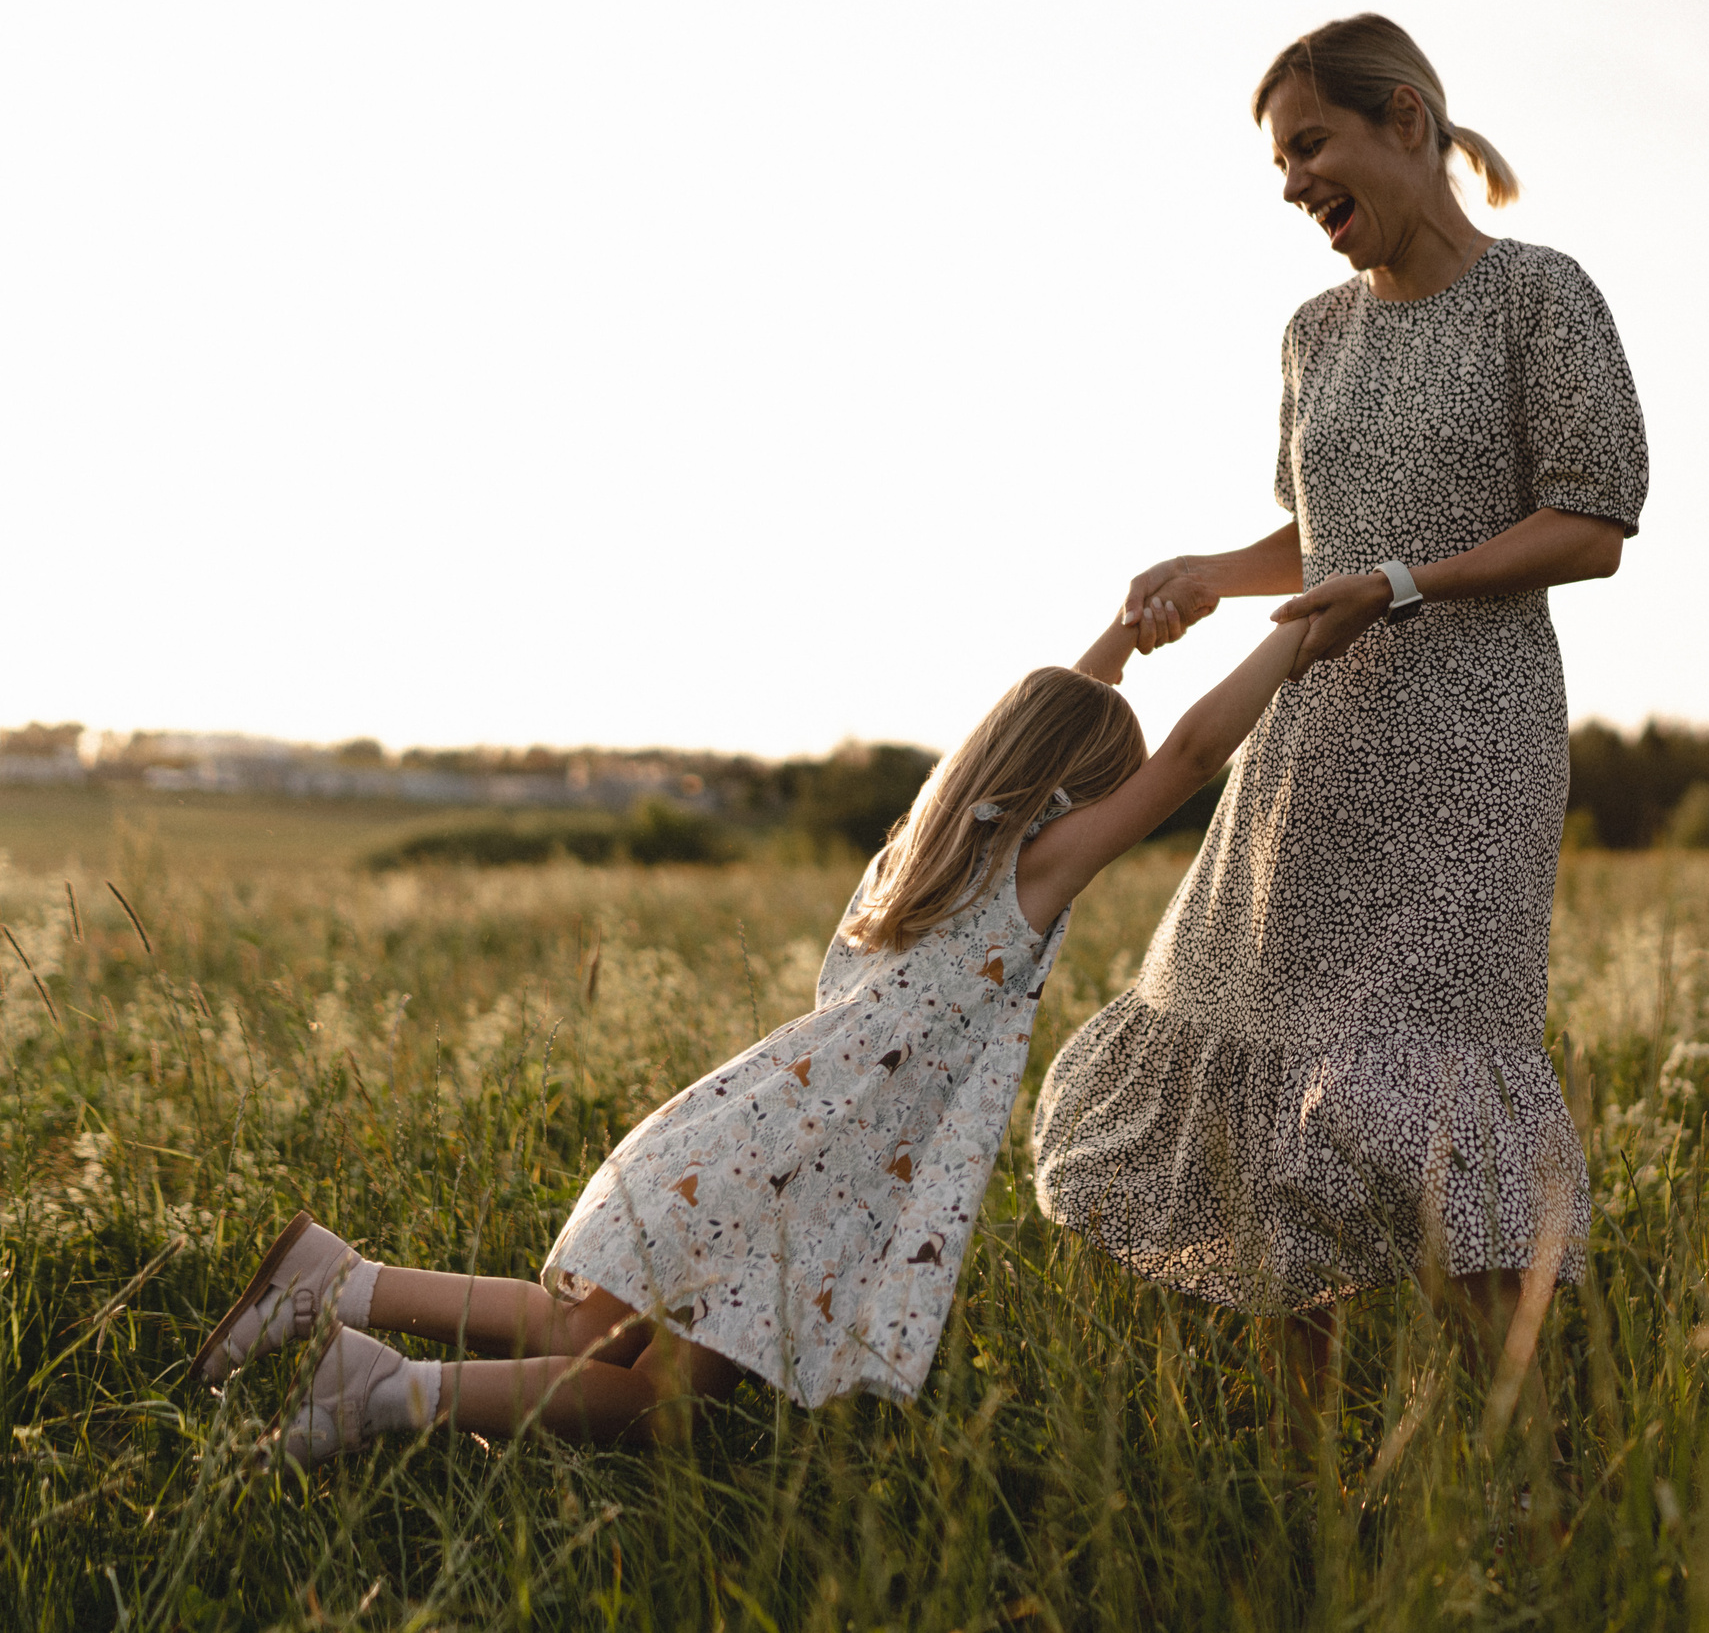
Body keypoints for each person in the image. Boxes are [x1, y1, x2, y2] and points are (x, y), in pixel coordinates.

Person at [190, 607, 1307, 1464]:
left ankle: (344, 1284)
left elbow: (1048, 722)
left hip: (757, 1130)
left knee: (595, 1333)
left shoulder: (929, 846)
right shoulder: (1033, 869)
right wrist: (1298, 634)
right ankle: (379, 1388)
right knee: (656, 1397)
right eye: (1094, 795)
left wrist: (1115, 642)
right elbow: (1188, 756)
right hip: (805, 1169)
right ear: (1072, 797)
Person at [1030, 13, 1647, 1445]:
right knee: (1265, 1069)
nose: (1294, 183)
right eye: (1282, 161)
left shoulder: (1540, 299)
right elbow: (1322, 529)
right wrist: (1214, 570)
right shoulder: (1314, 333)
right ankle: (1301, 1458)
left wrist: (1409, 585)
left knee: (1425, 1076)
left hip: (1465, 744)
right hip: (1311, 739)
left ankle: (1539, 1456)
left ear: (1410, 124)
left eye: (1311, 145)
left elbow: (1594, 520)